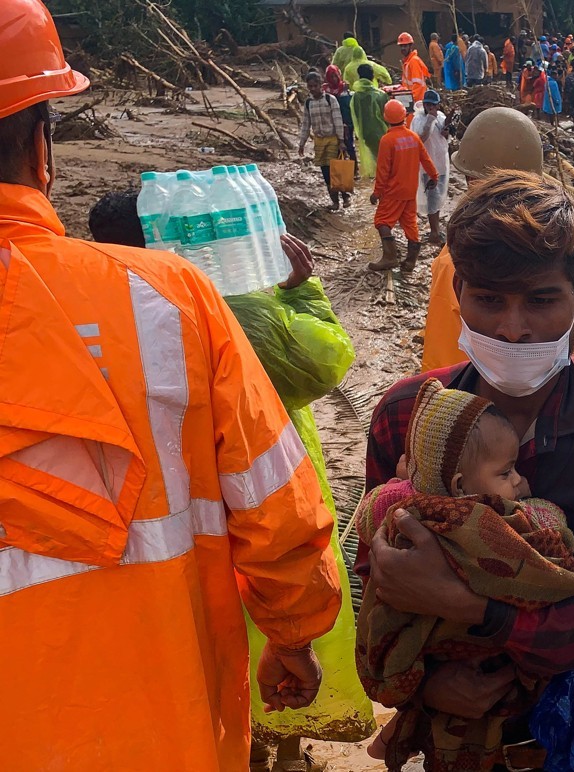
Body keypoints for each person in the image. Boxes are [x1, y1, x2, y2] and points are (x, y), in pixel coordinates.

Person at [0, 2, 341, 767]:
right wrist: (293, 634)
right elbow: (278, 509)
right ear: (41, 144)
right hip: (160, 726)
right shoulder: (172, 299)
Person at [361, 171, 574, 765]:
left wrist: (479, 613)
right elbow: (375, 576)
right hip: (449, 731)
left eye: (540, 300)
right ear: (457, 291)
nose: (513, 327)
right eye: (488, 299)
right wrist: (425, 685)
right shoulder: (405, 412)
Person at [86, 191, 374, 772]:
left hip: (157, 516)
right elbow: (322, 364)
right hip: (268, 484)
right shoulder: (232, 305)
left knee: (199, 632)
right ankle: (286, 743)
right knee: (280, 607)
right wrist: (302, 291)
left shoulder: (85, 314)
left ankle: (230, 747)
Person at [354, 378, 574, 769]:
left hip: (430, 663)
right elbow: (551, 541)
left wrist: (403, 480)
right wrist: (554, 522)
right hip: (480, 656)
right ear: (459, 487)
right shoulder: (487, 523)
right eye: (507, 473)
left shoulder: (398, 502)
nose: (521, 482)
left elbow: (367, 516)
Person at [420, 107, 574, 372]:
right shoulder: (566, 244)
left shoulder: (458, 260)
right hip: (570, 393)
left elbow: (444, 361)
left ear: (470, 180)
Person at [368, 100, 439, 273]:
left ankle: (390, 258)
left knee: (382, 221)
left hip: (393, 191)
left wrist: (376, 193)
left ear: (386, 118)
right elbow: (426, 159)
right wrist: (434, 176)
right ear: (404, 116)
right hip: (410, 190)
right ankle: (410, 262)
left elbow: (383, 170)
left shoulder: (387, 140)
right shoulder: (413, 137)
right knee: (410, 225)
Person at [298, 71, 347, 211]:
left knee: (336, 170)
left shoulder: (330, 100)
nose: (312, 89)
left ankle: (345, 196)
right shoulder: (308, 103)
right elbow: (306, 124)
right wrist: (302, 143)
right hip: (319, 141)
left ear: (321, 85)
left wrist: (341, 140)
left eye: (315, 85)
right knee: (325, 172)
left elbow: (338, 120)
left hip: (332, 139)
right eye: (310, 86)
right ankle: (335, 202)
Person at [413, 91, 451, 246]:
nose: (430, 107)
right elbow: (420, 139)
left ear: (437, 104)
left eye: (433, 104)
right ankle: (434, 232)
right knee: (432, 197)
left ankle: (435, 228)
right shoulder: (418, 119)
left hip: (441, 162)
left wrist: (446, 131)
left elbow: (444, 137)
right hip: (428, 165)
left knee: (439, 196)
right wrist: (429, 120)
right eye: (427, 104)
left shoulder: (441, 116)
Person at [349, 62, 391, 178]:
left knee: (376, 160)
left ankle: (378, 182)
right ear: (373, 76)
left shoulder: (356, 96)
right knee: (386, 162)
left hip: (366, 134)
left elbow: (356, 115)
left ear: (359, 77)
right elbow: (387, 116)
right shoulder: (380, 95)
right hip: (381, 133)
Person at [324, 64, 357, 192]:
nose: (334, 79)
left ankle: (355, 170)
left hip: (347, 123)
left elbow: (350, 108)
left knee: (350, 146)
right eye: (331, 76)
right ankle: (340, 176)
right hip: (332, 123)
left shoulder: (345, 89)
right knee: (335, 149)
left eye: (335, 75)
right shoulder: (325, 91)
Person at [397, 32, 430, 104]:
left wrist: (409, 100)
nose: (403, 48)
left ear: (410, 46)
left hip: (416, 103)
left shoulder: (413, 61)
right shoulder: (407, 62)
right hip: (411, 100)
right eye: (401, 46)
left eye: (405, 46)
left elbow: (418, 85)